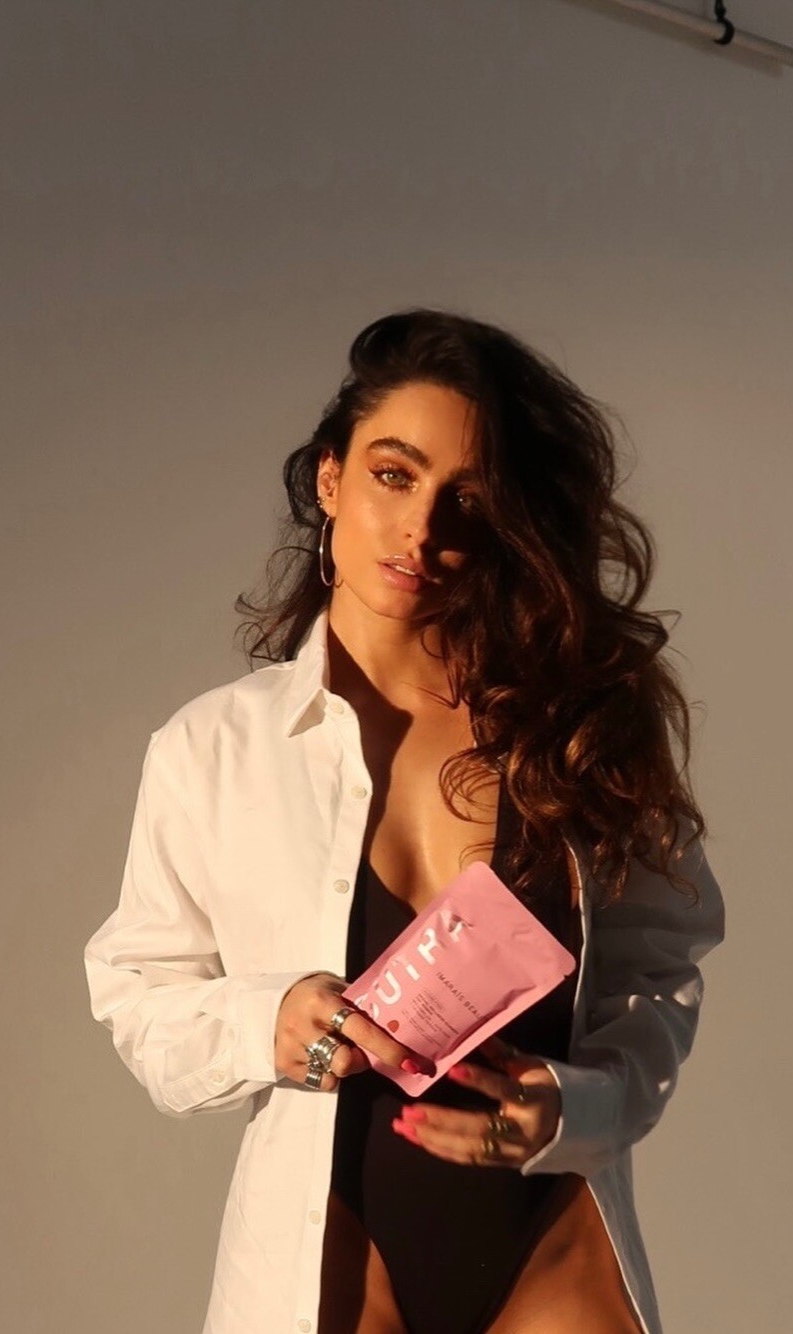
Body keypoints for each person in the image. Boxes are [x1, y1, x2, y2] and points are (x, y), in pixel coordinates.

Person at [84, 307, 725, 1334]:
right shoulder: (214, 749)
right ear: (330, 479)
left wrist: (579, 1107)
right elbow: (139, 997)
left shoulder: (574, 730)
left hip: (552, 1246)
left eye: (469, 498)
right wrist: (268, 1020)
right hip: (338, 1255)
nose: (425, 530)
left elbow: (656, 975)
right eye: (394, 475)